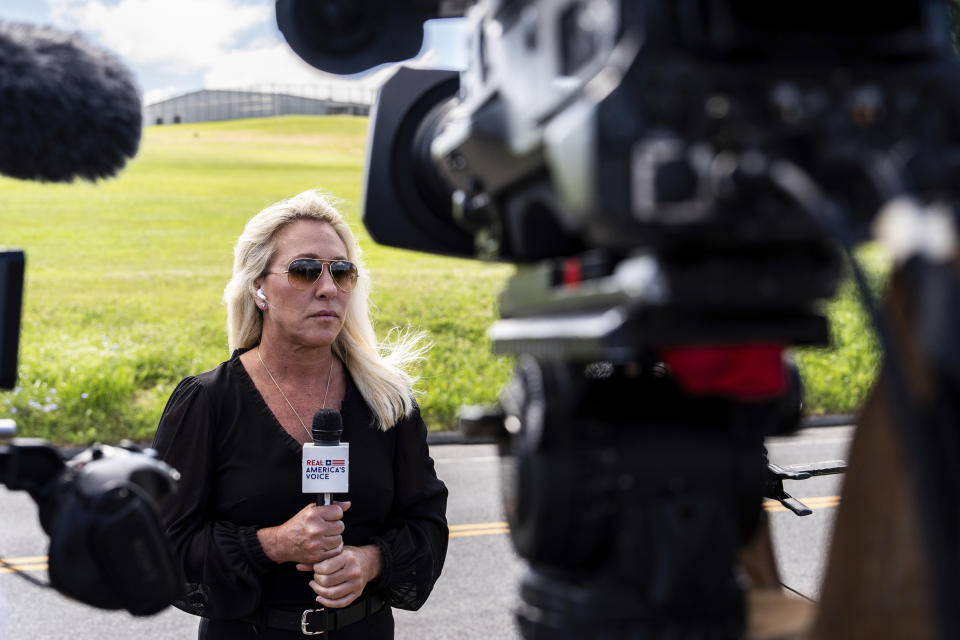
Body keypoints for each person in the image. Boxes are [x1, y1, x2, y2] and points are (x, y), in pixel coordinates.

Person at [152, 189, 449, 639]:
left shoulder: (387, 401)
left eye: (341, 271)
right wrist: (273, 543)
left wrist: (370, 562)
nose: (327, 288)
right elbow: (164, 545)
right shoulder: (208, 401)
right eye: (305, 270)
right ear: (258, 287)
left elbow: (427, 525)